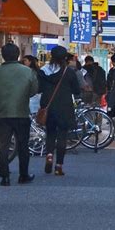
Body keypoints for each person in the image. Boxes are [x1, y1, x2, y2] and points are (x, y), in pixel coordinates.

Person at [0, 43, 38, 186]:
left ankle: (5, 177)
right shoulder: (27, 72)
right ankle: (23, 175)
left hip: (2, 113)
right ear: (18, 55)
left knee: (3, 146)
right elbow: (34, 90)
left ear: (3, 55)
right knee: (23, 145)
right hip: (21, 112)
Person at [39, 45, 80, 176]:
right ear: (64, 58)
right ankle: (59, 165)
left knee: (50, 133)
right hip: (64, 107)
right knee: (62, 135)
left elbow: (38, 88)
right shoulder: (69, 72)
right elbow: (76, 90)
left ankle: (50, 155)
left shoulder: (43, 71)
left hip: (48, 106)